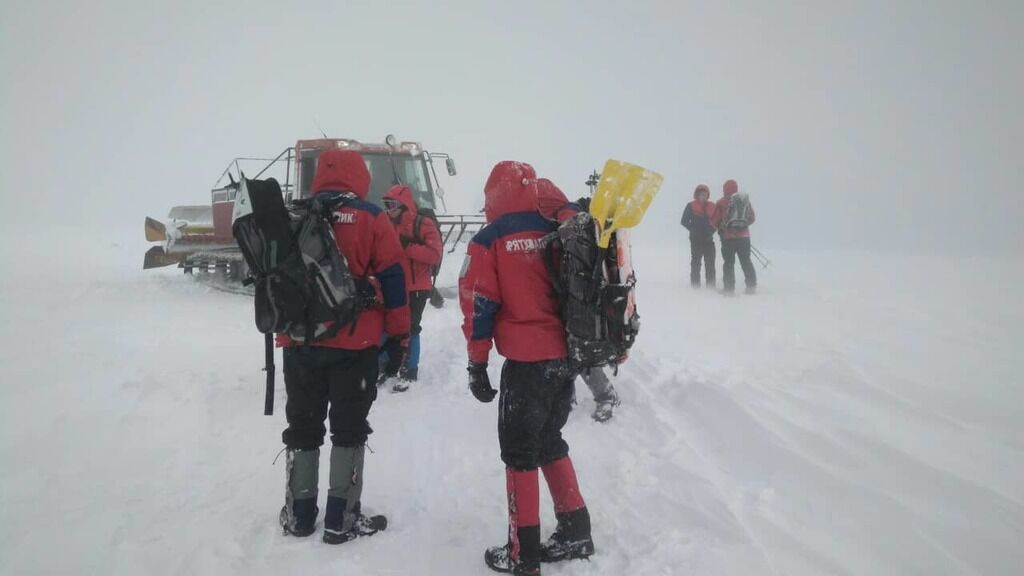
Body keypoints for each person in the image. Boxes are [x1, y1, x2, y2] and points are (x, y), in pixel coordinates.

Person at [460, 162, 595, 575]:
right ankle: (576, 530)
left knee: (520, 454)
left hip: (525, 362)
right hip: (566, 357)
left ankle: (524, 554)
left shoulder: (492, 238)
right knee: (550, 438)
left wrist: (477, 363)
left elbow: (479, 305)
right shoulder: (557, 227)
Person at [277, 149, 410, 544]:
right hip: (355, 345)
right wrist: (400, 336)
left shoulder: (295, 215)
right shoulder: (371, 217)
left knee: (303, 426)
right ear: (359, 176)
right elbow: (395, 281)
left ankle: (299, 515)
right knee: (349, 429)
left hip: (300, 342)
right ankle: (341, 518)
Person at [536, 177, 621, 423]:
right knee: (565, 348)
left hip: (579, 296)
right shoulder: (554, 218)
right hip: (565, 294)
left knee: (579, 350)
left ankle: (606, 395)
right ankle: (567, 397)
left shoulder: (568, 213)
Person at [380, 184, 443, 392]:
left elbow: (434, 254)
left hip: (417, 287)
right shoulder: (387, 224)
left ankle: (410, 371)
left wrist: (408, 248)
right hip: (392, 285)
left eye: (392, 204)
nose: (389, 209)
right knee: (389, 327)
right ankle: (386, 366)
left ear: (404, 205)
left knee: (411, 328)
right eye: (386, 205)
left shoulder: (422, 224)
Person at [712, 179, 757, 294]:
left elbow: (714, 220)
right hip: (744, 238)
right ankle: (751, 287)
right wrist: (743, 226)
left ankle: (728, 289)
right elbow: (752, 218)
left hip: (728, 238)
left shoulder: (721, 202)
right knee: (746, 261)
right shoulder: (744, 201)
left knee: (729, 263)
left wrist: (721, 228)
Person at [680, 183, 717, 288]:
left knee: (710, 264)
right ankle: (695, 286)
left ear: (708, 195)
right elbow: (684, 221)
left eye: (705, 194)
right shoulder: (691, 205)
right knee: (696, 264)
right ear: (697, 195)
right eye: (701, 194)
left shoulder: (712, 206)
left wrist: (711, 230)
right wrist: (694, 228)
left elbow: (717, 221)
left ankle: (711, 286)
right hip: (695, 240)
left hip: (709, 240)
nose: (703, 196)